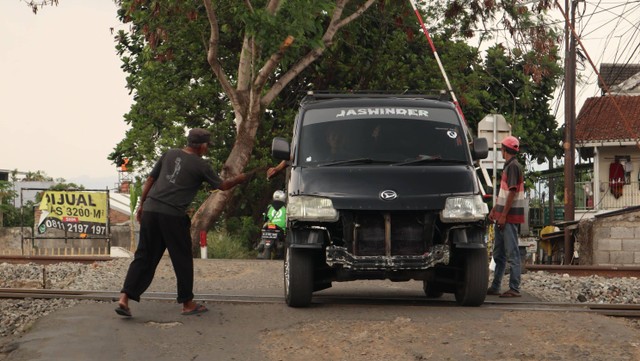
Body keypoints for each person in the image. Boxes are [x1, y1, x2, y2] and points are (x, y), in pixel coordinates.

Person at [115, 128, 248, 317]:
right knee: (182, 259)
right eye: (207, 146)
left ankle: (124, 298)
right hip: (172, 215)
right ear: (202, 146)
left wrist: (142, 205)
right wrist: (240, 179)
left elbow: (150, 180)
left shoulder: (169, 154)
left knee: (144, 256)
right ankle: (187, 303)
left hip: (152, 210)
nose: (207, 149)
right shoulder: (201, 165)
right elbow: (222, 186)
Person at [487, 135, 525, 298]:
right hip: (503, 216)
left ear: (504, 150)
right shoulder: (509, 166)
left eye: (501, 148)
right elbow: (504, 194)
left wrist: (502, 216)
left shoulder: (513, 167)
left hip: (508, 218)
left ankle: (514, 288)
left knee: (511, 253)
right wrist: (495, 210)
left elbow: (511, 192)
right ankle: (495, 286)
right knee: (499, 254)